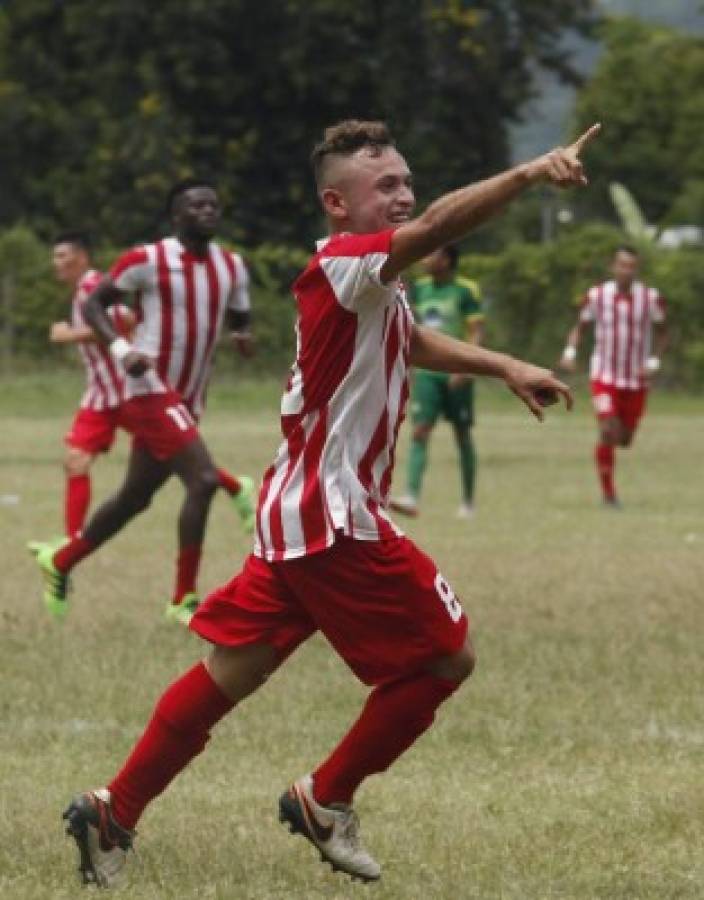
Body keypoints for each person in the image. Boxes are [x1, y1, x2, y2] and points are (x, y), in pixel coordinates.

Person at [61, 119, 597, 888]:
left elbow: (408, 339)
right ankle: (326, 797)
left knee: (229, 673)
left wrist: (505, 363)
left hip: (294, 513)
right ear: (335, 204)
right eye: (386, 186)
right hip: (332, 516)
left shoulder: (365, 279)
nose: (405, 195)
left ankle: (115, 811)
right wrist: (530, 174)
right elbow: (444, 223)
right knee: (447, 658)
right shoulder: (349, 261)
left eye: (407, 182)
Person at [30, 180, 256, 625]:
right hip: (149, 389)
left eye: (213, 204)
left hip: (189, 397)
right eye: (196, 205)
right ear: (176, 217)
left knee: (134, 498)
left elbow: (241, 314)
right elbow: (97, 306)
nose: (208, 210)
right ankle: (183, 599)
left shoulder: (232, 266)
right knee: (204, 480)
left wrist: (242, 335)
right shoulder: (147, 259)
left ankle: (61, 561)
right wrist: (121, 349)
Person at [559, 245, 667, 507]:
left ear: (637, 269)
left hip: (635, 379)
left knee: (625, 439)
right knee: (608, 430)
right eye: (622, 265)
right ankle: (608, 494)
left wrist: (653, 361)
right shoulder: (597, 296)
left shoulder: (650, 298)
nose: (626, 271)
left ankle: (610, 474)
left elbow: (664, 332)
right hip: (604, 375)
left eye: (631, 266)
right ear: (613, 266)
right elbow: (580, 327)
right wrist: (570, 352)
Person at [43, 232, 134, 539]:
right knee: (75, 461)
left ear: (81, 257)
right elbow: (125, 319)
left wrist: (66, 334)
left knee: (179, 457)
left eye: (61, 256)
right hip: (102, 395)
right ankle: (70, 544)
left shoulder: (91, 286)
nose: (56, 263)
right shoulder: (86, 288)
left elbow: (118, 324)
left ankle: (234, 486)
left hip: (128, 392)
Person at [390, 244, 484, 519]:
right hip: (428, 375)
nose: (425, 259)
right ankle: (411, 495)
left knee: (462, 435)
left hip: (457, 374)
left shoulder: (466, 290)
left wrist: (467, 365)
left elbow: (476, 331)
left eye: (431, 254)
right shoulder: (418, 288)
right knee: (420, 431)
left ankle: (468, 501)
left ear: (446, 260)